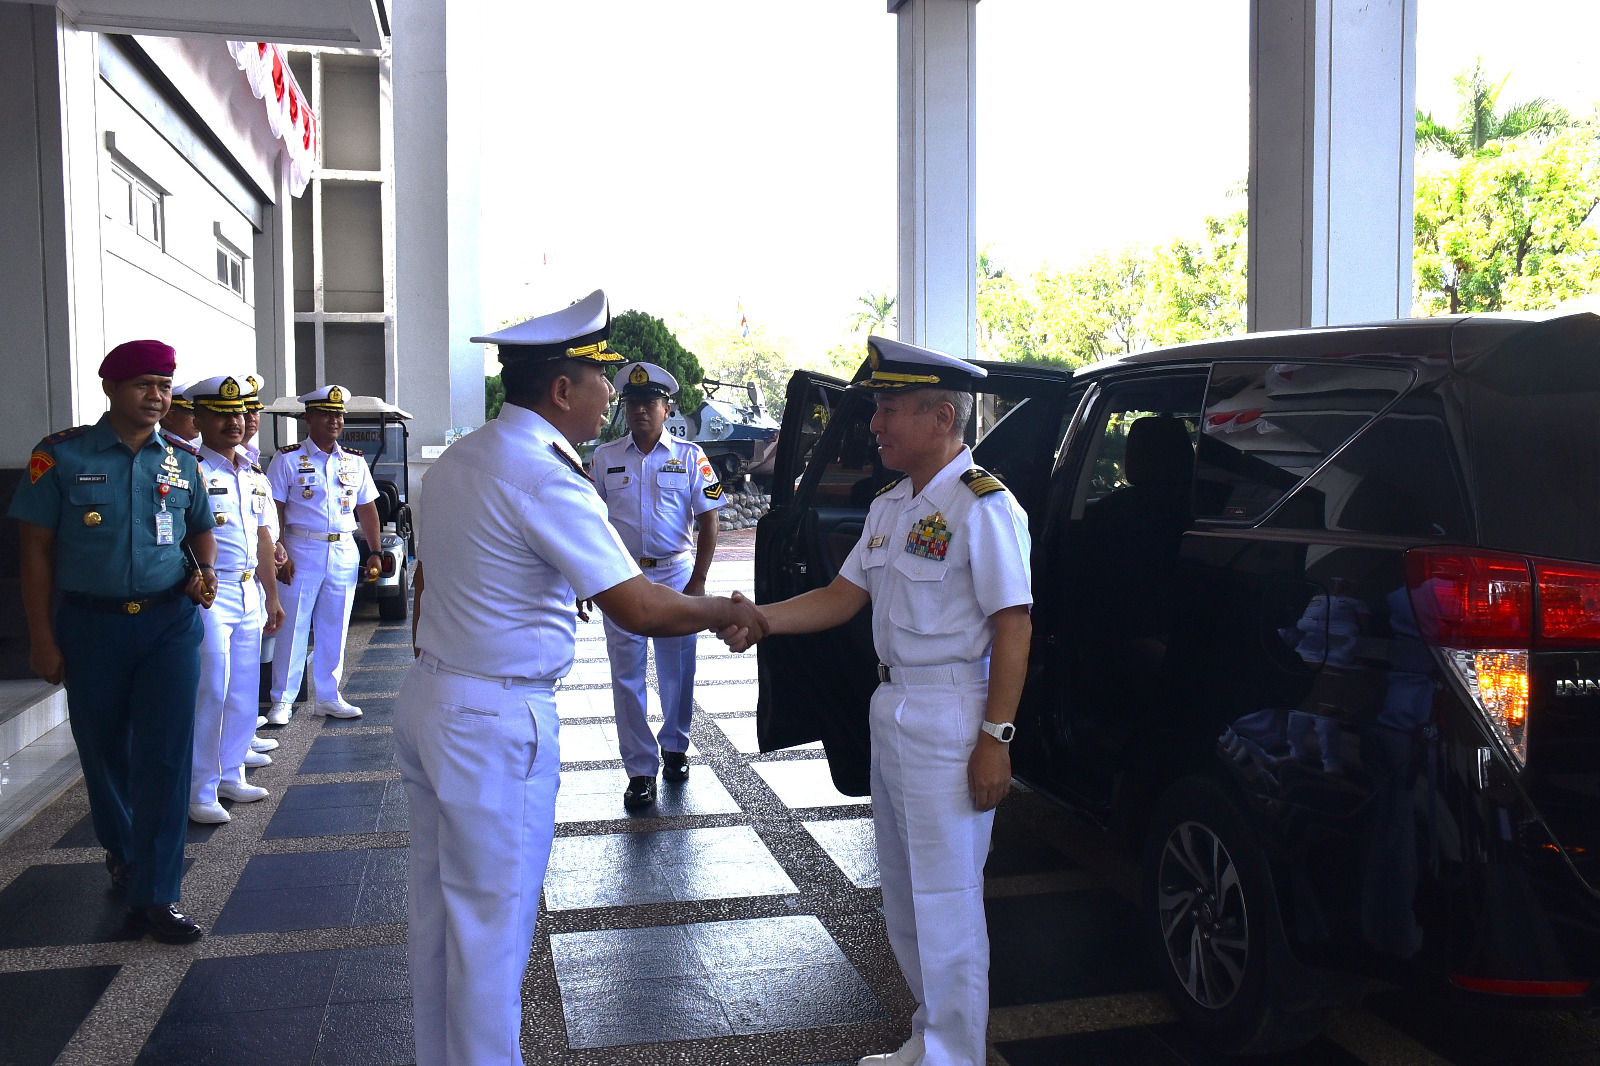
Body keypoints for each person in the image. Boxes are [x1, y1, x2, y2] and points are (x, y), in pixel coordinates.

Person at [396, 290, 768, 1066]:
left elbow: (428, 583)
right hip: (494, 721)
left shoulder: (461, 459)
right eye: (601, 379)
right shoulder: (546, 475)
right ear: (562, 390)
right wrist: (728, 611)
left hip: (431, 699)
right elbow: (638, 606)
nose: (612, 395)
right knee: (492, 932)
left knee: (438, 923)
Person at [724, 337, 1033, 1066]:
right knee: (905, 896)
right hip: (892, 707)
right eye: (877, 409)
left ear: (941, 417)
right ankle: (930, 1040)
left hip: (953, 713)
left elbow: (1014, 625)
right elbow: (842, 595)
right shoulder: (893, 505)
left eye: (890, 409)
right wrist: (763, 618)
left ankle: (956, 1055)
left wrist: (996, 738)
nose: (875, 424)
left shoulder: (982, 506)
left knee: (948, 901)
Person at [9, 339, 219, 943]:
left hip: (168, 624)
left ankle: (158, 892)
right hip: (91, 625)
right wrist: (41, 638)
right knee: (103, 751)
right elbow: (34, 553)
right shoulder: (60, 456)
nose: (157, 396)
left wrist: (204, 573)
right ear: (110, 388)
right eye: (143, 385)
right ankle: (124, 851)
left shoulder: (181, 460)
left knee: (167, 755)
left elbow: (200, 529)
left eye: (165, 386)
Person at [589, 361, 723, 808]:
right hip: (622, 575)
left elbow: (710, 519)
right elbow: (591, 523)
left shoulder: (691, 456)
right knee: (626, 674)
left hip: (675, 574)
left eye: (650, 402)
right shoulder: (605, 458)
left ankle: (676, 747)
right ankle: (640, 770)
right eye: (632, 402)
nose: (641, 410)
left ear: (668, 408)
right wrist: (588, 580)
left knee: (678, 668)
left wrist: (699, 580)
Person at [186, 375, 286, 824]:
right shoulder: (190, 469)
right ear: (198, 419)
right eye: (221, 414)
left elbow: (263, 538)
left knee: (244, 688)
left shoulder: (251, 471)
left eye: (240, 414)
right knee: (212, 689)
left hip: (248, 588)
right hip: (209, 591)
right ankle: (200, 789)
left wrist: (271, 597)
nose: (235, 422)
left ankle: (231, 772)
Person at [263, 385, 382, 724]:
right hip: (302, 547)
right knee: (293, 626)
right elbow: (274, 510)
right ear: (309, 418)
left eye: (339, 415)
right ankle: (282, 700)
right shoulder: (287, 459)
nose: (335, 421)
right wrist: (279, 551)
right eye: (327, 414)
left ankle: (329, 696)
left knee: (335, 626)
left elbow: (367, 508)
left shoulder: (353, 461)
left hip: (343, 548)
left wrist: (374, 550)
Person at [158, 381, 198, 448]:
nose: (199, 420)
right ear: (168, 416)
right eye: (193, 414)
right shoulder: (160, 449)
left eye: (200, 415)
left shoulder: (192, 449)